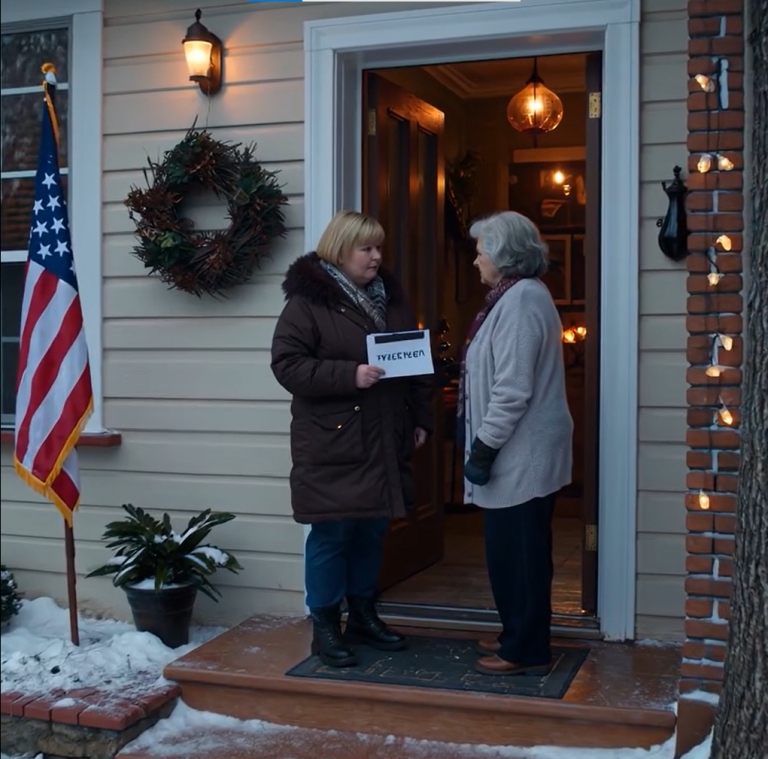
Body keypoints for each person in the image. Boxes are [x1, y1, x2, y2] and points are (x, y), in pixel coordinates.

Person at [271, 210, 433, 668]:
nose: (377, 257)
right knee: (332, 532)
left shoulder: (392, 300)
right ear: (340, 253)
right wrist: (350, 374)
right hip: (334, 442)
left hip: (386, 437)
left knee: (371, 530)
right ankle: (325, 627)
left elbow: (416, 364)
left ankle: (363, 615)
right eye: (367, 248)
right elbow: (287, 365)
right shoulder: (308, 304)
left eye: (379, 247)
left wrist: (421, 419)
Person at [457, 210, 574, 676]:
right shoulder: (512, 297)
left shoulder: (523, 300)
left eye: (481, 250)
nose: (476, 260)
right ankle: (517, 632)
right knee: (509, 552)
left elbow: (512, 389)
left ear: (504, 255)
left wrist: (483, 448)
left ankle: (525, 650)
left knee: (519, 556)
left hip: (521, 455)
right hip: (515, 450)